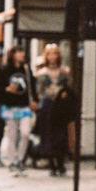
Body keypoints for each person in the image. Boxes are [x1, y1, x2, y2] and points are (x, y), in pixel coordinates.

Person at [35, 44, 75, 176]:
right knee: (49, 134)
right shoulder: (42, 73)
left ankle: (61, 161)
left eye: (55, 53)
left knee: (61, 134)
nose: (52, 57)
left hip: (60, 107)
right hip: (48, 106)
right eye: (50, 54)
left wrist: (64, 94)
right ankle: (52, 163)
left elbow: (69, 88)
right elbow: (40, 92)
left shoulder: (65, 72)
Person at [1, 45, 37, 173]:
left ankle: (21, 159)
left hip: (24, 106)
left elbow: (32, 86)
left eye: (22, 52)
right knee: (12, 135)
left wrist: (34, 100)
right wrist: (7, 89)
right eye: (19, 52)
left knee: (25, 133)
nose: (22, 54)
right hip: (10, 106)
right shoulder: (5, 70)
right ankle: (12, 161)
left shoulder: (26, 69)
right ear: (13, 55)